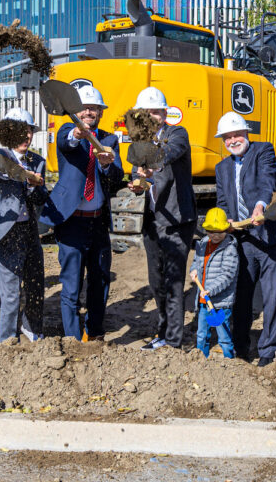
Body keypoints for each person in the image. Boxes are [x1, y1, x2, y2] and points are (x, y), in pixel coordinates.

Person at [40, 84, 124, 340]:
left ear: (101, 112)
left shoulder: (109, 140)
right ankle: (73, 337)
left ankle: (95, 333)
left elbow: (117, 177)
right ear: (78, 110)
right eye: (86, 108)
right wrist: (79, 133)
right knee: (72, 283)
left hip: (97, 223)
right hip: (72, 222)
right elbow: (67, 143)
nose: (89, 112)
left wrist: (107, 167)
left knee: (99, 280)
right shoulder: (68, 130)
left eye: (94, 109)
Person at [213, 112, 276, 365]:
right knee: (241, 296)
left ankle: (268, 351)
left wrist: (260, 206)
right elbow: (222, 202)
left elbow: (268, 181)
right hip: (243, 240)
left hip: (272, 237)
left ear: (246, 134)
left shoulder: (263, 151)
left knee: (273, 296)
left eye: (237, 134)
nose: (233, 140)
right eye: (227, 137)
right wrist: (224, 221)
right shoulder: (222, 168)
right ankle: (241, 348)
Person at [127, 87, 196, 350]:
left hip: (177, 220)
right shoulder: (138, 142)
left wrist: (150, 159)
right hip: (153, 220)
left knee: (173, 280)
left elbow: (170, 153)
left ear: (164, 113)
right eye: (145, 113)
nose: (151, 117)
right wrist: (137, 183)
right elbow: (140, 176)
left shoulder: (176, 133)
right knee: (156, 282)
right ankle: (163, 331)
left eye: (155, 112)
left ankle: (174, 342)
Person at [0, 107, 48, 343]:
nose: (26, 136)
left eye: (29, 130)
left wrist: (37, 187)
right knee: (10, 292)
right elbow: (6, 174)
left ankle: (32, 329)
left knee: (35, 284)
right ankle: (7, 339)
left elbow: (42, 197)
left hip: (28, 230)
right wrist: (28, 176)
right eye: (20, 131)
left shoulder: (38, 160)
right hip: (5, 231)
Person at [191, 207, 240, 358]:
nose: (215, 235)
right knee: (201, 335)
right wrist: (193, 270)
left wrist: (210, 290)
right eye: (211, 231)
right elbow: (196, 262)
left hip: (220, 302)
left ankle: (229, 363)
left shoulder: (229, 249)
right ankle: (201, 361)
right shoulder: (202, 244)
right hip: (203, 300)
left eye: (219, 232)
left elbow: (227, 275)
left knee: (224, 337)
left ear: (226, 229)